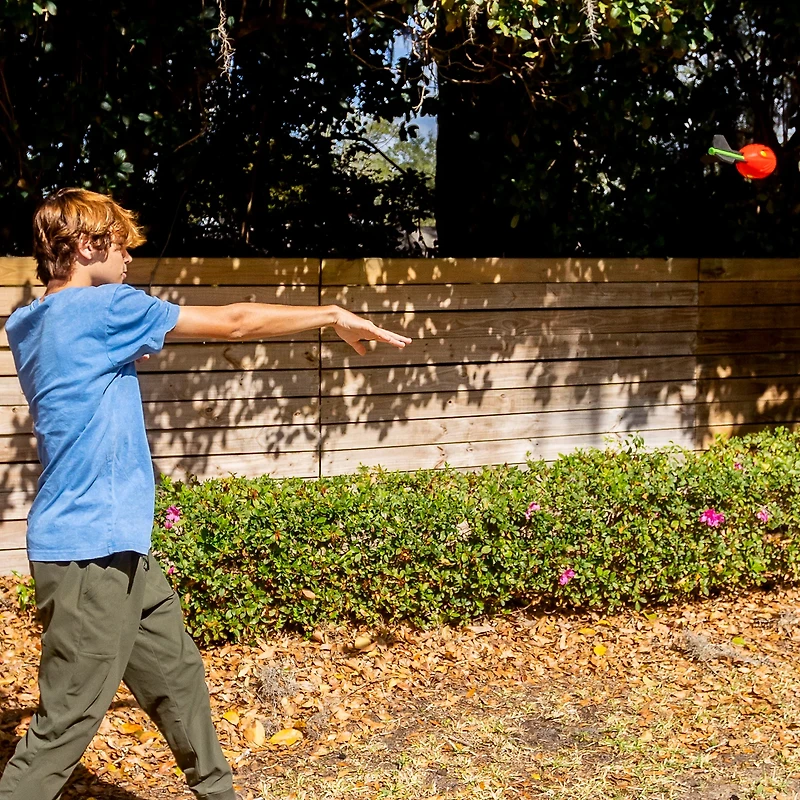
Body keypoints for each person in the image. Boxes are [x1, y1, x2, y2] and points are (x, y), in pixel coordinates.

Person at [0, 188, 411, 800]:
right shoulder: (100, 309)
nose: (129, 258)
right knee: (68, 720)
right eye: (119, 244)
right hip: (90, 548)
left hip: (118, 542)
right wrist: (329, 315)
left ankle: (218, 792)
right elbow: (234, 323)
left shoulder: (30, 322)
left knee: (176, 675)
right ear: (87, 246)